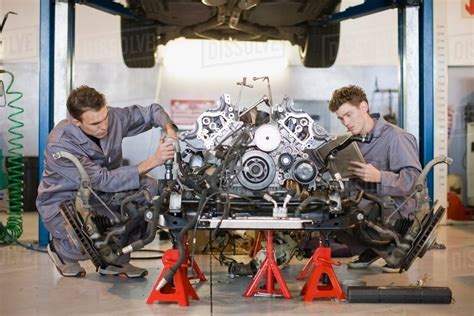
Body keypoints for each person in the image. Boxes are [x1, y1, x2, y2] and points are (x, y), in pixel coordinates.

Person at [36, 85, 177, 278]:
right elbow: (101, 180)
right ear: (76, 122)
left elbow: (151, 112)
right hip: (66, 202)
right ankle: (62, 251)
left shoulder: (111, 118)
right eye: (95, 124)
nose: (104, 127)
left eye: (105, 118)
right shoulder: (60, 144)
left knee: (147, 188)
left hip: (102, 195)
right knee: (87, 239)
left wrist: (170, 130)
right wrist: (154, 161)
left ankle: (115, 260)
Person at [328, 85, 422, 272]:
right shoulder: (352, 142)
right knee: (329, 208)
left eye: (349, 115)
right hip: (368, 204)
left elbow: (413, 182)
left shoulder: (396, 137)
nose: (345, 122)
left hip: (395, 213)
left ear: (363, 107)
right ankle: (371, 249)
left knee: (348, 211)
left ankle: (388, 247)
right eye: (341, 118)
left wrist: (379, 176)